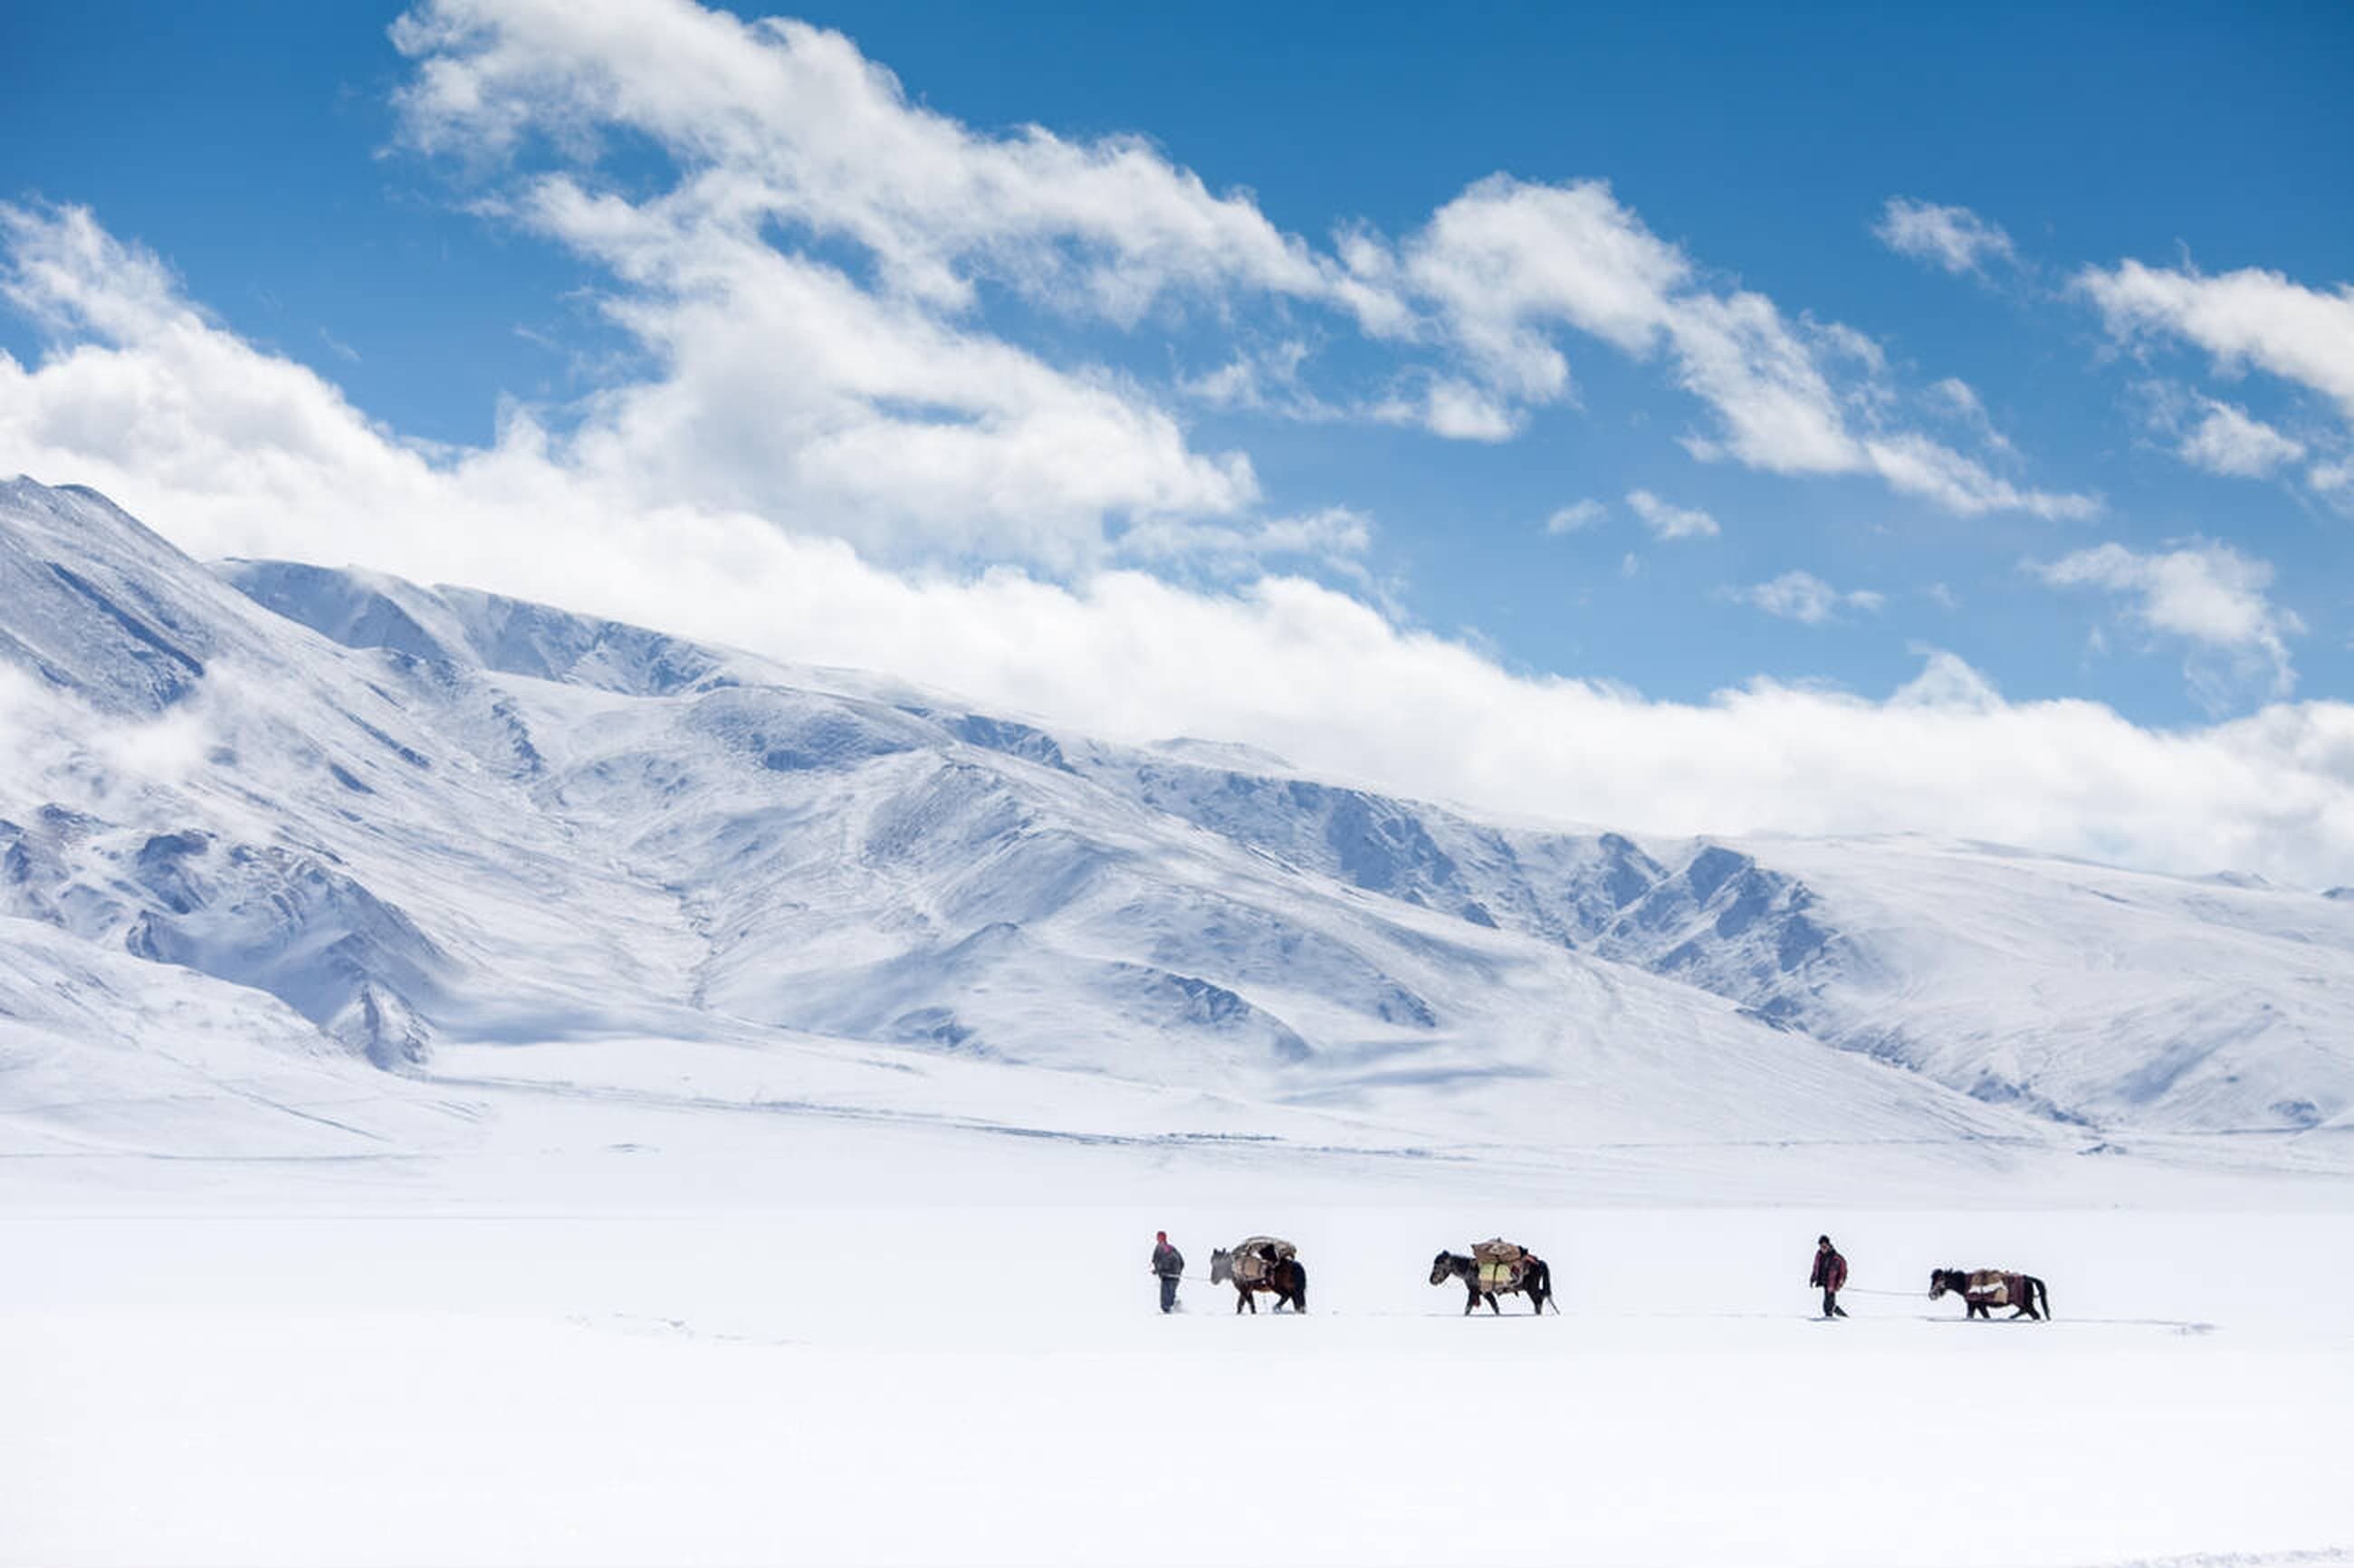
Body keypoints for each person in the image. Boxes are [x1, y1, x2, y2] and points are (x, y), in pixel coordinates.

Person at [1811, 1234, 1849, 1319]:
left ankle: (1831, 1319)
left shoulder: (1836, 1257)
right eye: (1821, 1246)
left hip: (1832, 1283)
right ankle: (1835, 1314)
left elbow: (1843, 1272)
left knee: (1828, 1303)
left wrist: (1839, 1284)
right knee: (1828, 1302)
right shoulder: (1819, 1255)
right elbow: (1816, 1267)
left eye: (1825, 1246)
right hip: (1823, 1281)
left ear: (1828, 1245)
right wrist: (1813, 1278)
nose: (1823, 1248)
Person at [1151, 1230, 1185, 1314]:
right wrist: (1156, 1270)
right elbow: (1155, 1261)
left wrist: (1176, 1273)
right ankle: (1175, 1308)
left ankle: (1171, 1314)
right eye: (1158, 1238)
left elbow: (1180, 1262)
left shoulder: (1170, 1249)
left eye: (1161, 1238)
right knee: (1167, 1299)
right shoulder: (1158, 1249)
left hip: (1172, 1277)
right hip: (1166, 1277)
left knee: (1166, 1302)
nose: (1159, 1240)